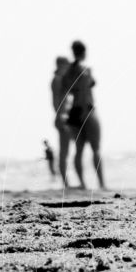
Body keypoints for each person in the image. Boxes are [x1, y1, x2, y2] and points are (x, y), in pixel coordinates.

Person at [61, 41, 104, 189]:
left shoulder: (68, 73)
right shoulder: (85, 70)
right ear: (84, 52)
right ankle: (102, 183)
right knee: (96, 148)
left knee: (79, 149)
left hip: (74, 113)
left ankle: (83, 184)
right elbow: (89, 85)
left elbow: (67, 89)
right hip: (87, 109)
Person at [51, 56, 72, 186]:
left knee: (66, 151)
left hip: (64, 117)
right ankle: (66, 183)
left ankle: (67, 182)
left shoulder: (60, 79)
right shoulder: (57, 80)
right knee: (64, 152)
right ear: (60, 65)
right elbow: (55, 101)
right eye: (66, 66)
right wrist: (60, 115)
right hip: (61, 117)